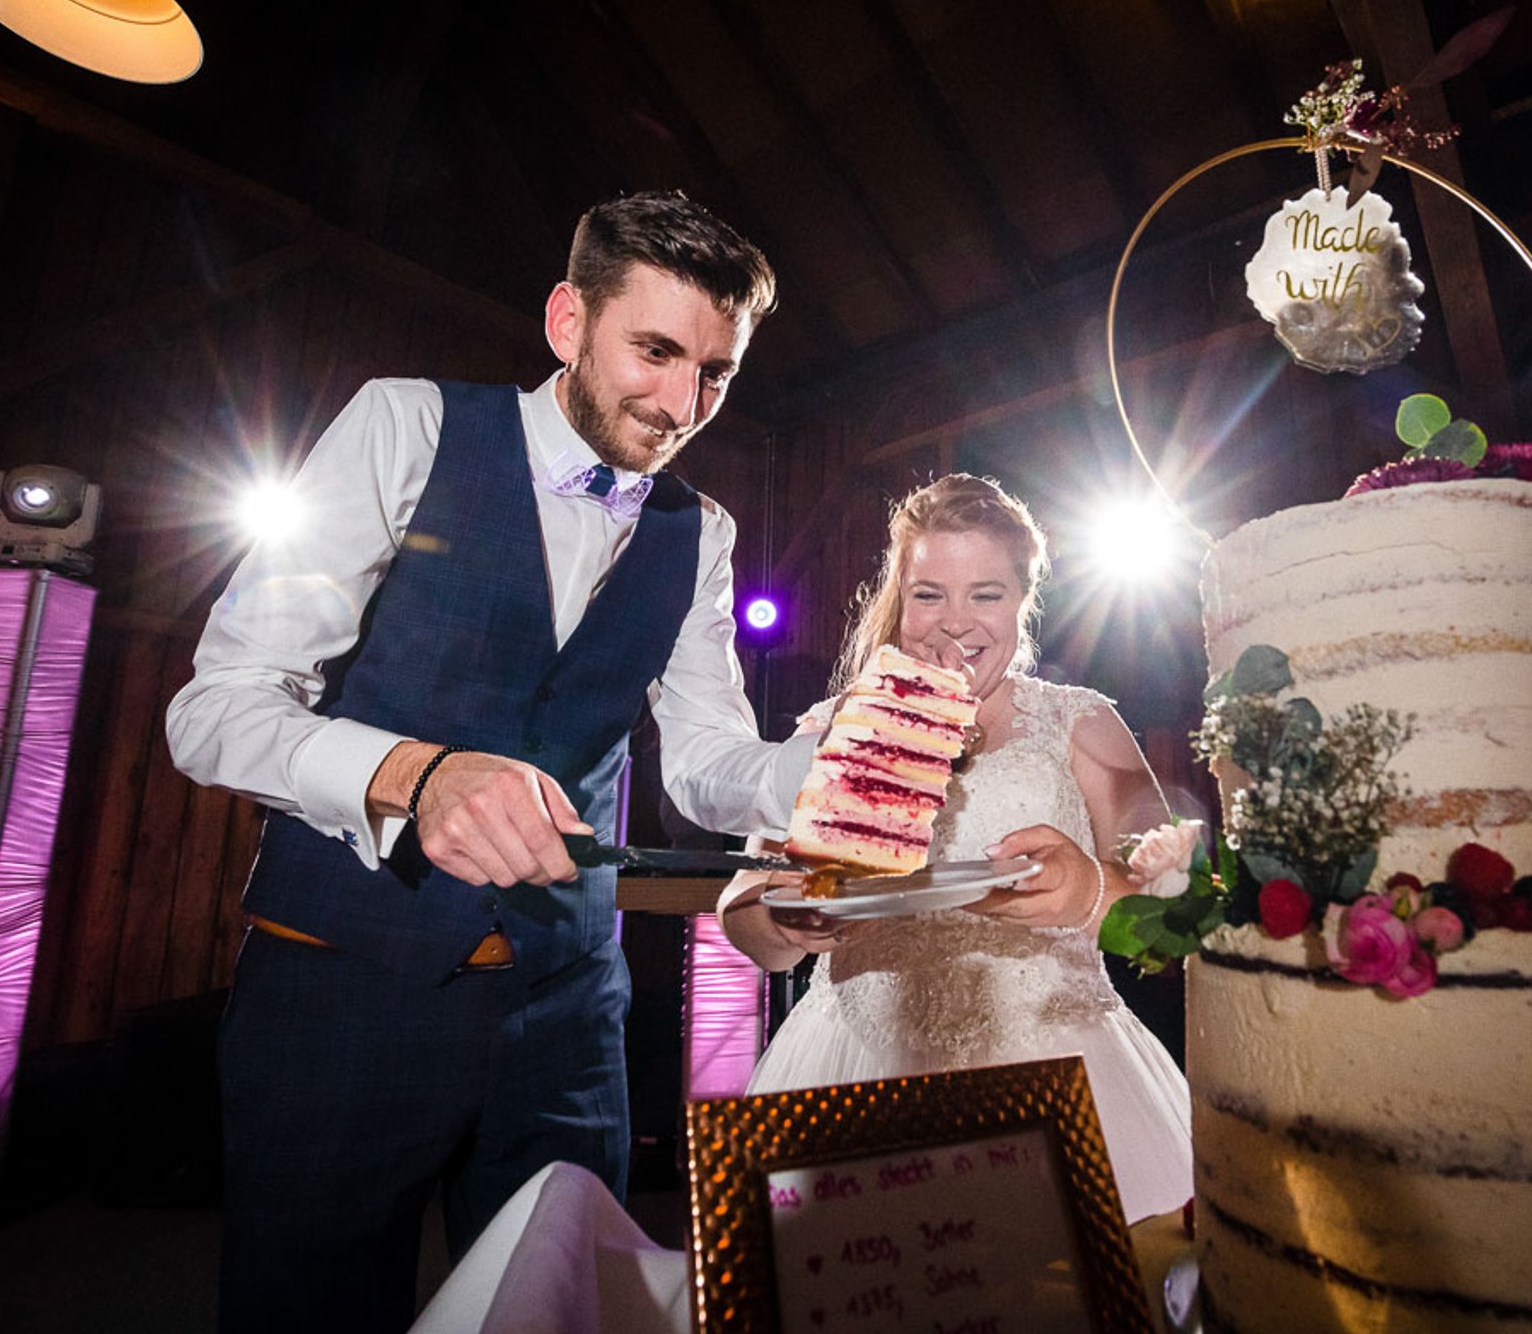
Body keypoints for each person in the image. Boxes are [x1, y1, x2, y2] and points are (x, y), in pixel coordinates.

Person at [166, 192, 816, 1333]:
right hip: (342, 986)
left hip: (568, 1010)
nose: (682, 405)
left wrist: (825, 769)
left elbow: (705, 765)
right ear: (568, 321)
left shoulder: (700, 532)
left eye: (715, 372)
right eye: (655, 352)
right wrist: (414, 773)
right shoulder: (405, 425)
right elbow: (215, 709)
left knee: (561, 1308)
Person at [717, 474, 1193, 1223]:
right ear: (899, 599)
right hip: (859, 1066)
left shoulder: (1082, 724)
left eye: (986, 594)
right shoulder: (837, 728)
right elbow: (745, 913)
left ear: (1024, 599)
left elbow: (1176, 915)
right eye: (929, 594)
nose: (954, 623)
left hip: (1061, 1068)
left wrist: (1089, 892)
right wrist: (786, 921)